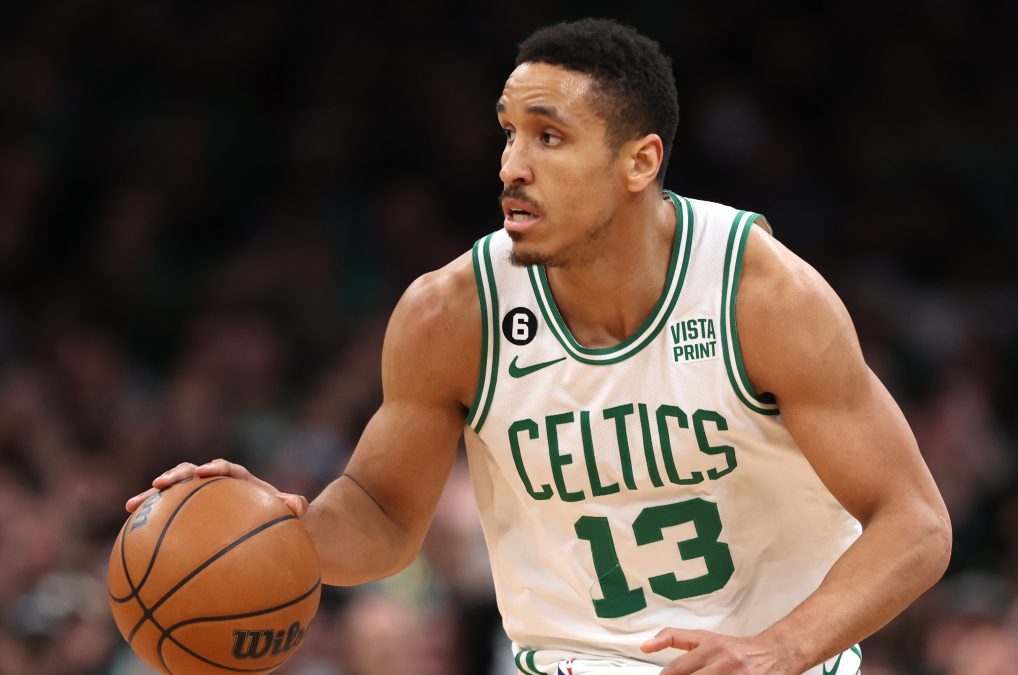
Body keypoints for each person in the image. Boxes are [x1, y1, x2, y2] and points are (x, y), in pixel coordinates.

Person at [127, 18, 951, 675]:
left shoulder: (759, 294)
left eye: (548, 137)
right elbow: (382, 514)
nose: (511, 166)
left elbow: (914, 522)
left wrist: (779, 648)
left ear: (639, 162)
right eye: (508, 133)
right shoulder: (450, 313)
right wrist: (275, 527)